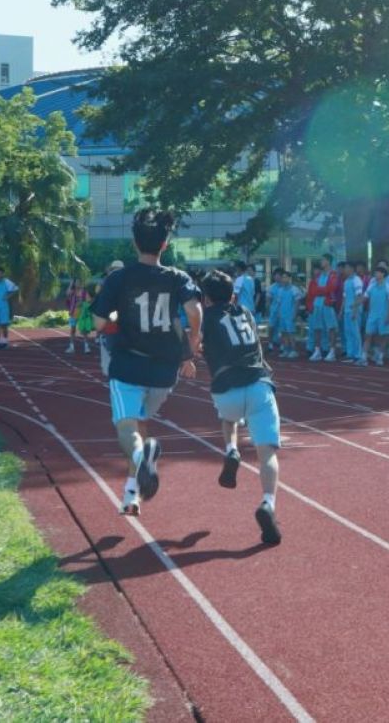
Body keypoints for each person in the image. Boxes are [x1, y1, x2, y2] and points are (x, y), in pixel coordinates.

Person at [92, 210, 202, 516]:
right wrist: (193, 344)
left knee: (127, 428)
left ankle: (142, 459)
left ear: (134, 243)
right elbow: (194, 312)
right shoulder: (178, 277)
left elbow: (99, 322)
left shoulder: (118, 278)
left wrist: (114, 317)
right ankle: (131, 494)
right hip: (164, 371)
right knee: (140, 425)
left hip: (128, 364)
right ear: (165, 244)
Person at [200, 270, 283, 544]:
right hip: (258, 383)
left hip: (226, 388)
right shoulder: (246, 312)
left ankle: (231, 449)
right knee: (267, 453)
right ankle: (268, 502)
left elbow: (194, 343)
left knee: (228, 419)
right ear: (233, 295)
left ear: (206, 298)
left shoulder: (206, 317)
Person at [306, 255, 340, 361]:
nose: (321, 262)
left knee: (331, 328)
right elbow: (314, 290)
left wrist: (321, 290)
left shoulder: (333, 274)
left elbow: (331, 288)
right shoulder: (319, 275)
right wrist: (322, 290)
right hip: (317, 304)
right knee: (317, 328)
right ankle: (317, 351)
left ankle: (332, 351)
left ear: (328, 262)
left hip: (327, 303)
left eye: (323, 260)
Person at [362, 263, 389, 366]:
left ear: (383, 274)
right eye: (375, 272)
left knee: (383, 336)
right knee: (368, 335)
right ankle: (363, 357)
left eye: (377, 272)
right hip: (372, 315)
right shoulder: (372, 286)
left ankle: (380, 357)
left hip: (383, 315)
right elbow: (365, 297)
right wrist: (355, 304)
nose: (375, 274)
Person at [341, 260, 365, 364]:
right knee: (348, 332)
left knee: (355, 333)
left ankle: (358, 355)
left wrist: (355, 311)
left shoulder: (357, 280)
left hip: (354, 311)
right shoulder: (346, 281)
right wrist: (341, 311)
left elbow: (359, 296)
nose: (344, 270)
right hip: (347, 310)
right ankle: (350, 354)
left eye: (346, 268)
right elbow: (344, 297)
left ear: (351, 269)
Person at [0, 267, 19, 348]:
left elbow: (16, 289)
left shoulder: (7, 282)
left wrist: (8, 296)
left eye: (1, 273)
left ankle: (5, 341)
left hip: (4, 306)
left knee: (4, 324)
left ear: (3, 274)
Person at [64, 278, 87, 353]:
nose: (77, 284)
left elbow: (88, 300)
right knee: (72, 330)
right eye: (76, 282)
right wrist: (70, 284)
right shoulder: (72, 291)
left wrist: (82, 303)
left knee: (83, 330)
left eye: (79, 282)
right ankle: (71, 347)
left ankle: (86, 347)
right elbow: (67, 293)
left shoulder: (83, 292)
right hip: (73, 313)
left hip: (82, 313)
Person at [75, 284, 97, 354]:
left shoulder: (88, 296)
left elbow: (92, 301)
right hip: (83, 317)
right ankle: (86, 346)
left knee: (96, 328)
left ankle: (98, 339)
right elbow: (77, 305)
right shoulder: (80, 297)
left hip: (89, 316)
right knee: (85, 332)